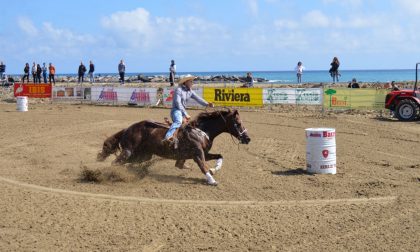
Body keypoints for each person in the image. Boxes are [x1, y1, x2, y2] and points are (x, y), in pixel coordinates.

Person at [162, 76, 214, 148]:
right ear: (185, 82)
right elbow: (177, 103)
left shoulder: (190, 91)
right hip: (176, 110)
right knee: (178, 121)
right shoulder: (179, 90)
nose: (192, 83)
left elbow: (198, 99)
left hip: (183, 112)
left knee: (188, 127)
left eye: (192, 81)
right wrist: (185, 114)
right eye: (191, 81)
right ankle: (167, 137)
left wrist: (207, 104)